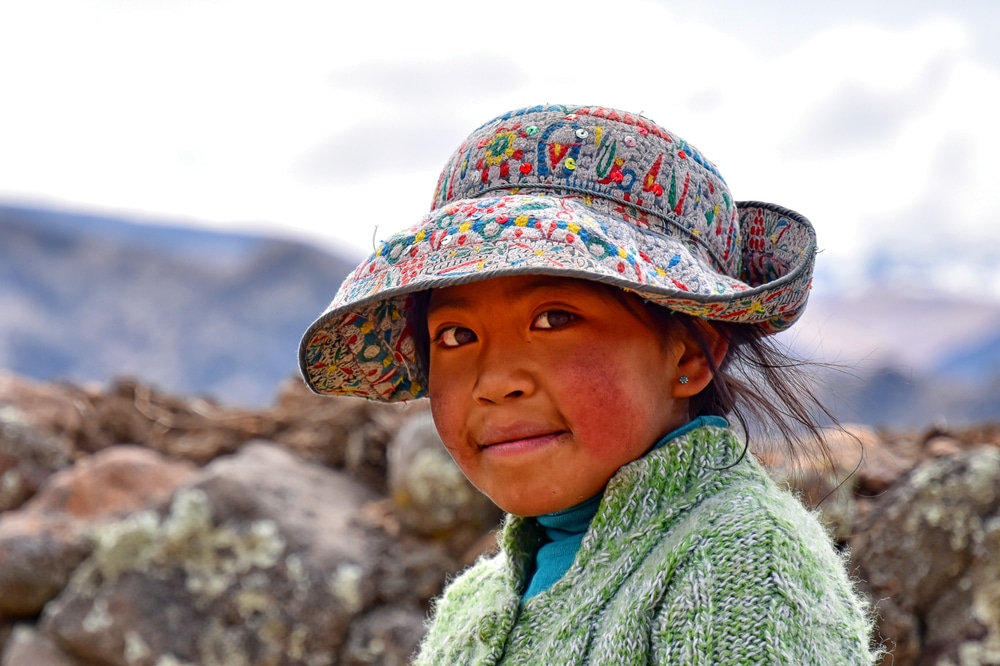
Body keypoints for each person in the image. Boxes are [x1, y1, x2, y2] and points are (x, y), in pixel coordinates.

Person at [298, 104, 879, 664]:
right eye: (455, 335)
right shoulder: (472, 606)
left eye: (553, 319)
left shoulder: (743, 568)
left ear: (690, 355)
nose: (496, 382)